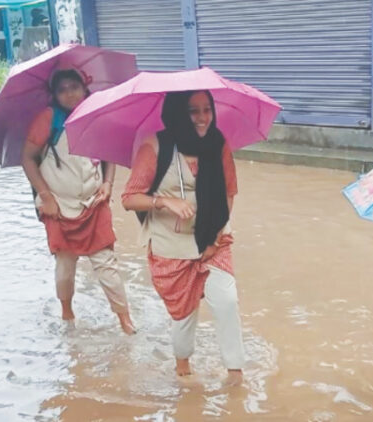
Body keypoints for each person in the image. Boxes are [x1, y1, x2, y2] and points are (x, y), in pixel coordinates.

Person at [122, 90, 245, 386]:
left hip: (213, 239)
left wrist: (214, 239)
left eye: (207, 110)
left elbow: (228, 193)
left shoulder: (218, 144)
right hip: (170, 245)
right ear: (178, 112)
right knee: (184, 315)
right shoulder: (155, 146)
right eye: (194, 111)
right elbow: (129, 198)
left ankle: (235, 376)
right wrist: (164, 202)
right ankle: (183, 370)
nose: (203, 118)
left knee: (226, 301)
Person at [21, 69, 135, 334]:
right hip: (58, 206)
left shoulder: (96, 114)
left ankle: (125, 319)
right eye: (62, 89)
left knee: (107, 264)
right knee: (65, 266)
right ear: (54, 95)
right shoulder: (48, 118)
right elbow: (27, 158)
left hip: (94, 203)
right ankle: (67, 313)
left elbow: (109, 154)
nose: (69, 93)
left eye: (74, 87)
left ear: (85, 88)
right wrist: (46, 198)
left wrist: (107, 184)